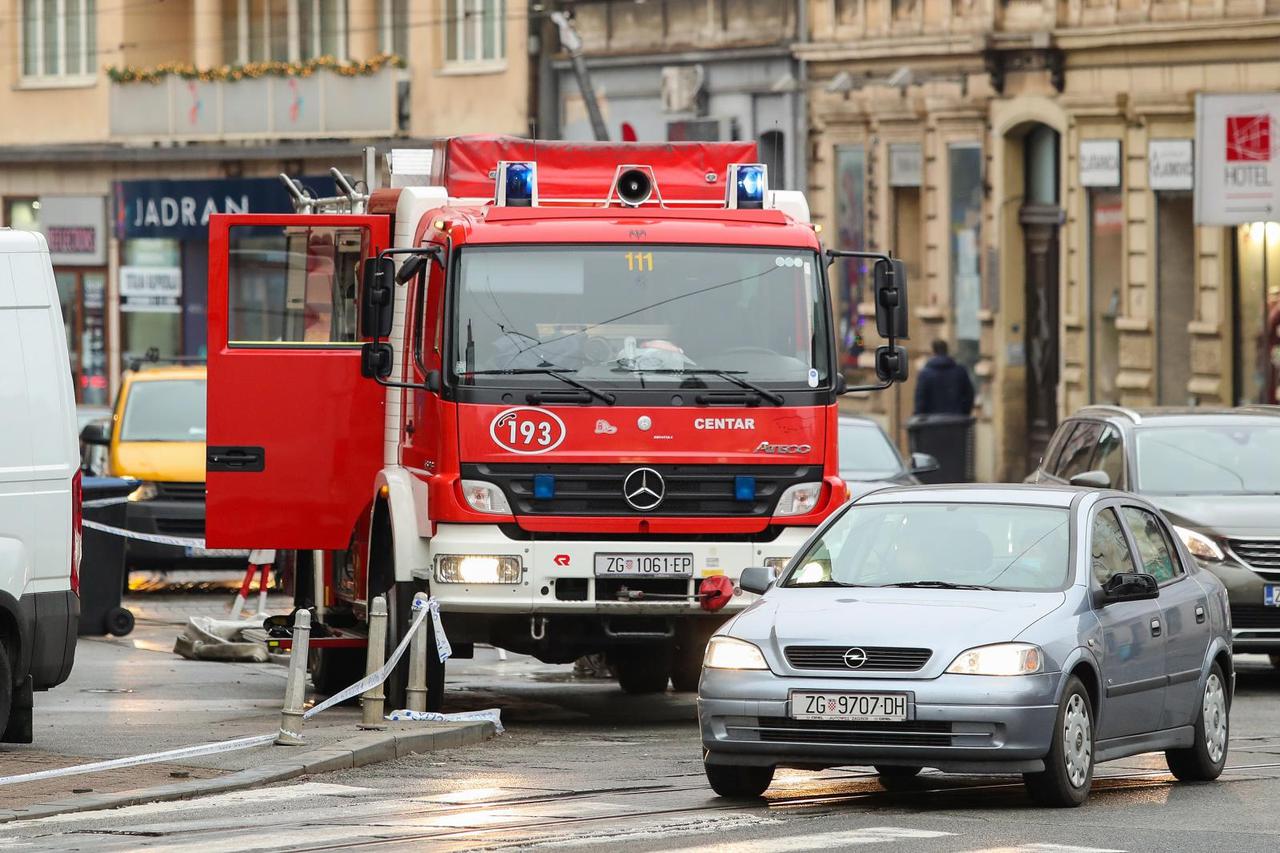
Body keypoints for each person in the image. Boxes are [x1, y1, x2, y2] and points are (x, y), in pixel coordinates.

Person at [914, 340, 975, 416]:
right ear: (947, 351)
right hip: (956, 420)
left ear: (933, 351)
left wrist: (919, 417)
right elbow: (969, 395)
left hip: (931, 422)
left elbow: (920, 399)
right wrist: (964, 413)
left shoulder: (925, 374)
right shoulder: (960, 371)